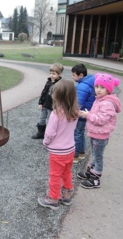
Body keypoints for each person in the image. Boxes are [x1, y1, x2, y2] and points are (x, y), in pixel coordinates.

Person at [37, 79, 79, 210]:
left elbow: (50, 133)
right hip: (70, 149)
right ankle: (66, 196)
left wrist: (45, 142)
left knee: (55, 175)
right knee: (67, 172)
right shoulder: (75, 111)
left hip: (57, 152)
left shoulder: (56, 114)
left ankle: (53, 198)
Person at [78, 73, 121, 189]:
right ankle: (91, 171)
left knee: (98, 156)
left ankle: (95, 178)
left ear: (108, 89)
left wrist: (88, 115)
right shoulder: (100, 100)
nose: (98, 90)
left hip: (100, 135)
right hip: (95, 133)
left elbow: (101, 120)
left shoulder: (107, 103)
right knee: (94, 154)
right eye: (97, 87)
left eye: (102, 87)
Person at [31, 63, 64, 139]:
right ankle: (41, 133)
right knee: (42, 118)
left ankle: (50, 135)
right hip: (45, 105)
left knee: (51, 121)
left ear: (59, 74)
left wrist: (57, 107)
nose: (51, 75)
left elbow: (60, 97)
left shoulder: (60, 84)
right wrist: (40, 102)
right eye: (50, 73)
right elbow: (44, 93)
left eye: (54, 74)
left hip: (52, 107)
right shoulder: (48, 82)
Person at [71, 63, 96, 163]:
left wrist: (73, 113)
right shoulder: (89, 83)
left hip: (80, 114)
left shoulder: (82, 86)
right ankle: (82, 152)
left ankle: (75, 155)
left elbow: (78, 102)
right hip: (86, 113)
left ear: (81, 75)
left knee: (77, 133)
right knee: (80, 133)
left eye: (73, 75)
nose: (72, 77)